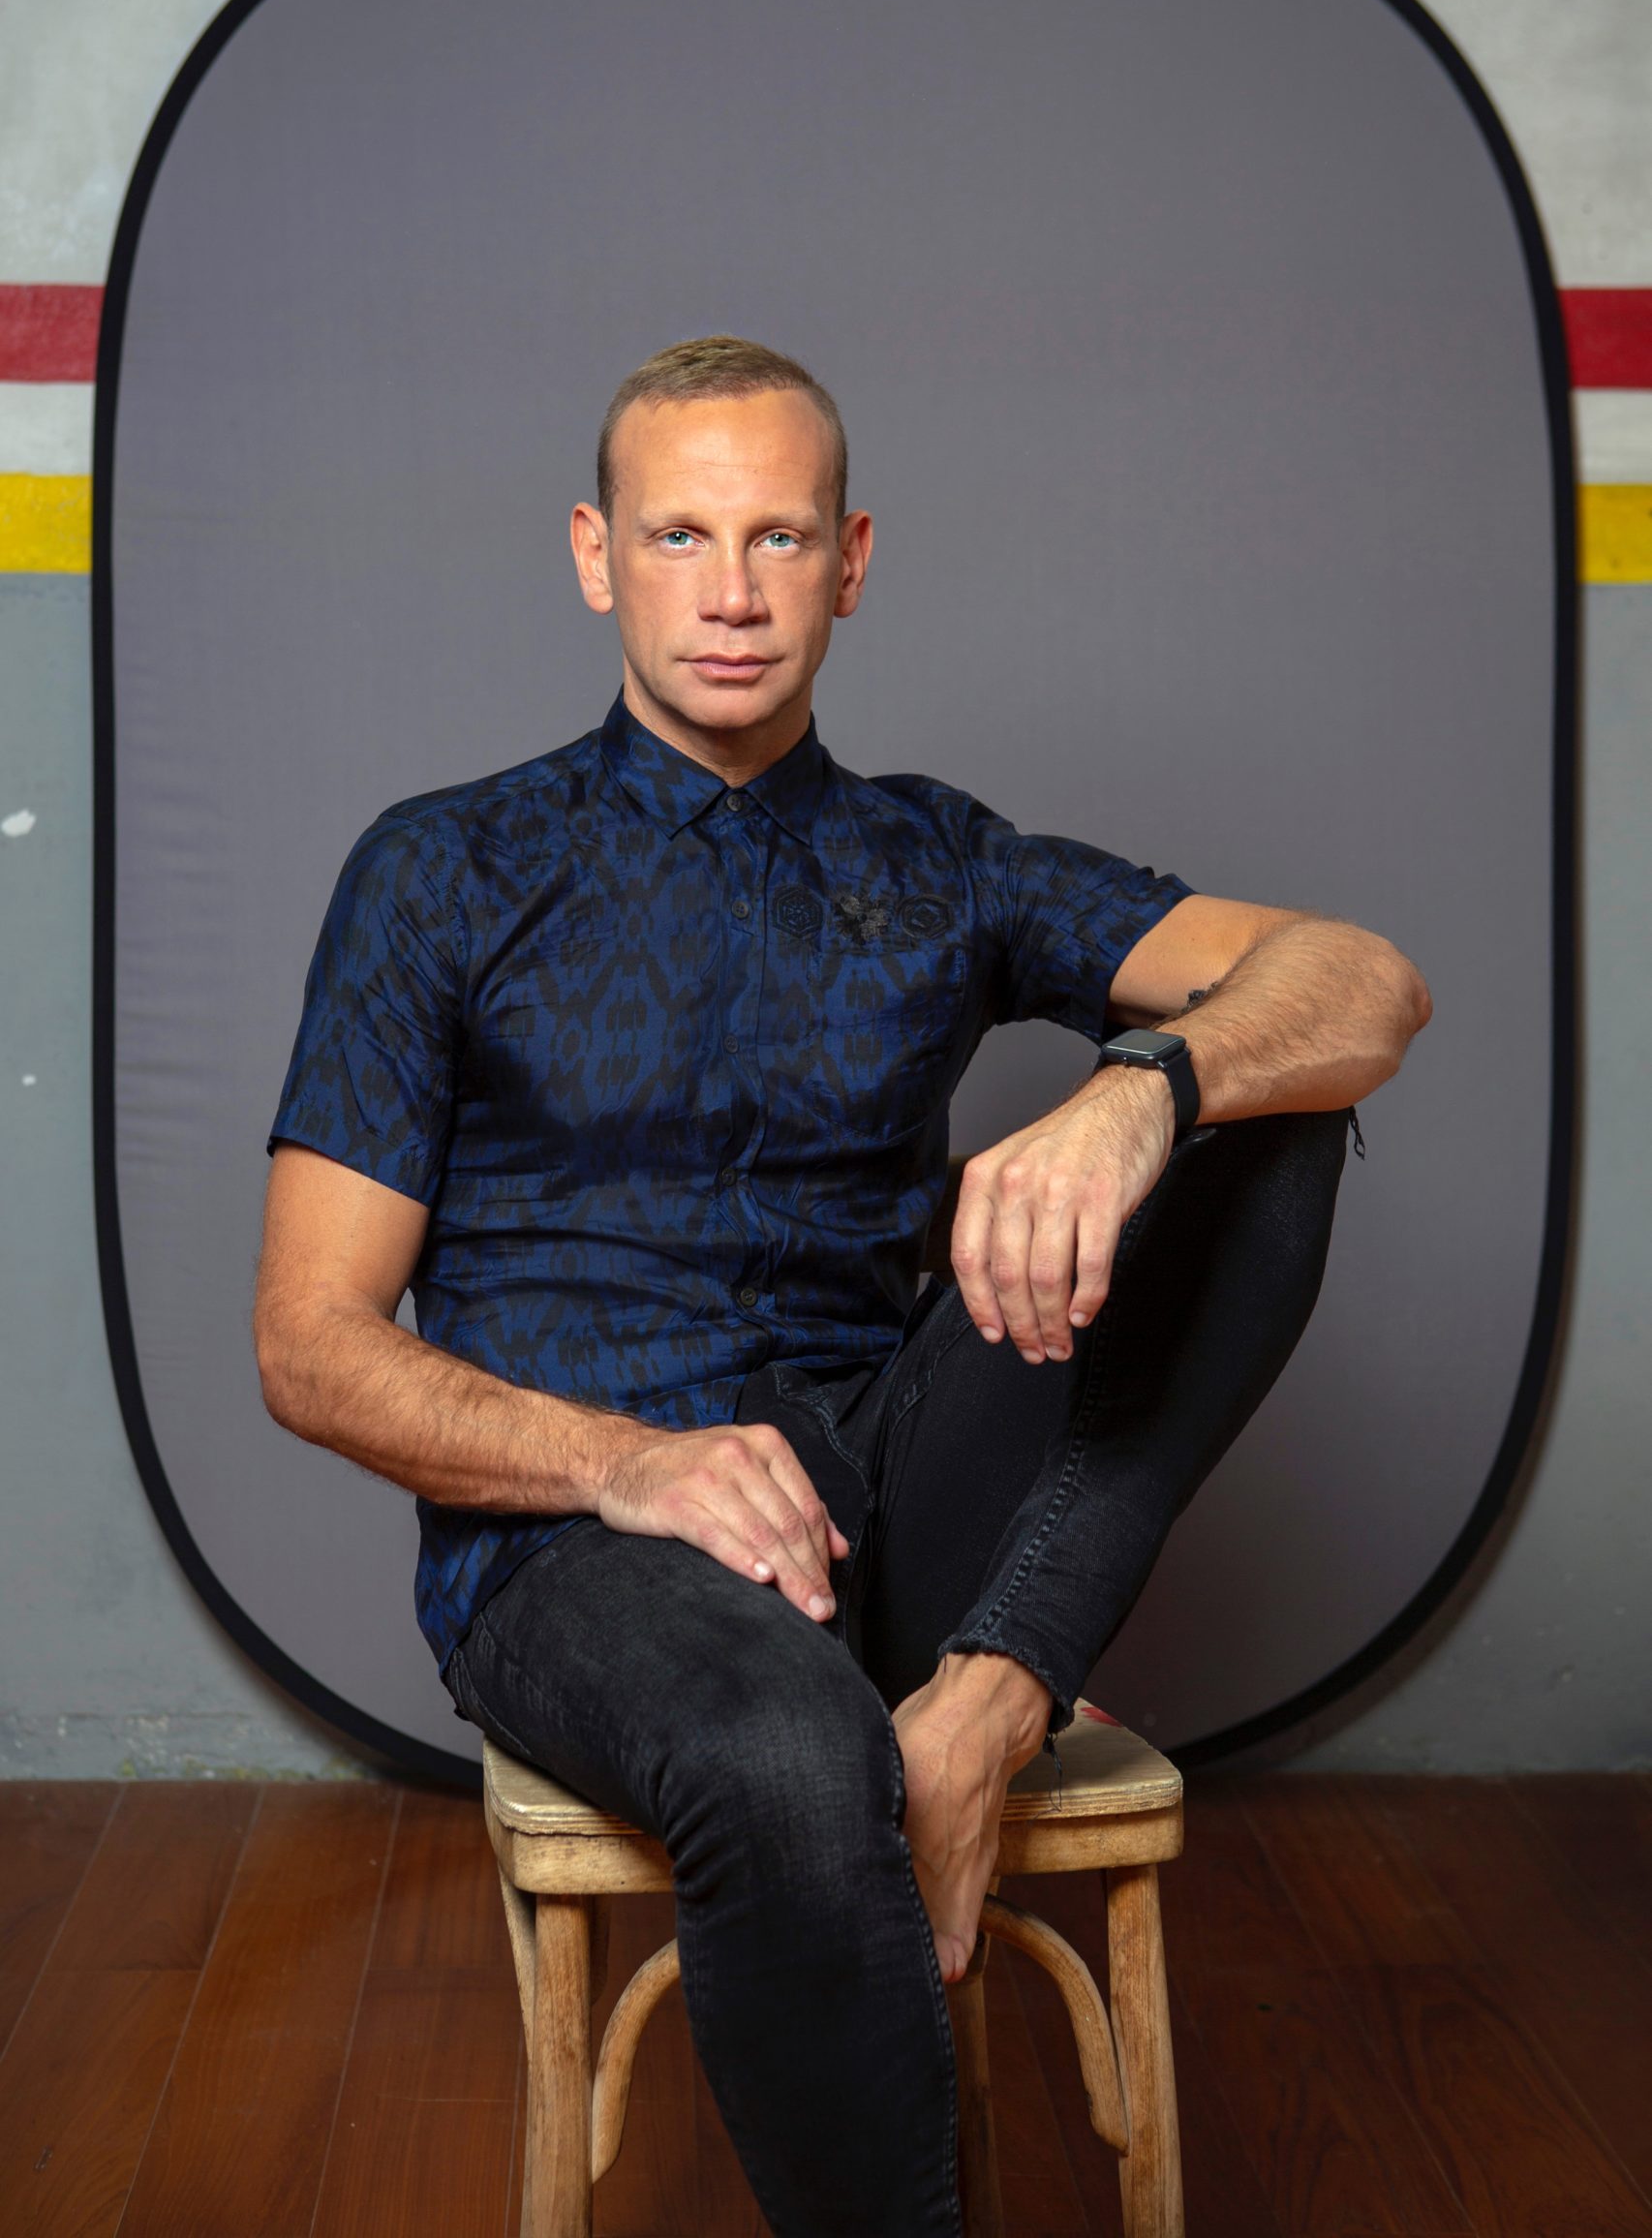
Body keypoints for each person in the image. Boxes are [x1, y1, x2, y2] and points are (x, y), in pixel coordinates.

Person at [253, 334, 1430, 2236]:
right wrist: (628, 1464)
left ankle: (986, 1697)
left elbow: (1362, 978)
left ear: (851, 560)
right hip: (579, 1546)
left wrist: (1136, 1094)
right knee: (788, 1754)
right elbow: (308, 1347)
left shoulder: (938, 858)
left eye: (778, 536)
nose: (730, 591)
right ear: (594, 555)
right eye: (679, 535)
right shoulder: (442, 869)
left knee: (1268, 1104)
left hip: (892, 1491)